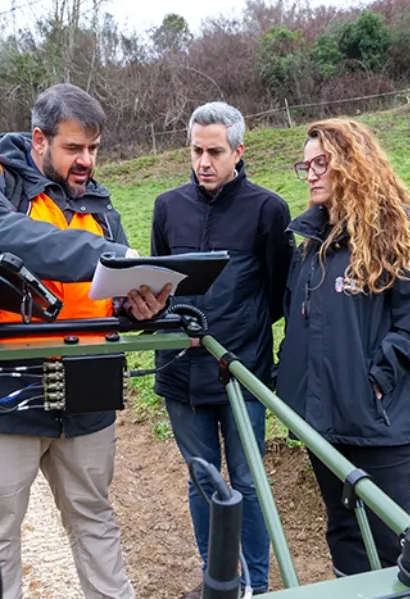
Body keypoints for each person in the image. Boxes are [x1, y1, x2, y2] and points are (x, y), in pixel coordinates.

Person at [0, 82, 169, 599]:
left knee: (96, 519)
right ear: (38, 139)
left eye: (93, 148)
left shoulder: (100, 205)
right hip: (0, 391)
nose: (86, 160)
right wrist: (104, 255)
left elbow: (106, 295)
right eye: (73, 148)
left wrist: (142, 304)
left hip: (86, 393)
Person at [277, 118, 410, 576]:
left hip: (376, 421)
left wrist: (375, 381)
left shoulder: (401, 232)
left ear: (352, 165)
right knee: (342, 529)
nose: (311, 174)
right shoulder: (312, 243)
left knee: (391, 536)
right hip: (319, 419)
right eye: (306, 164)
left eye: (321, 163)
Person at [150, 101, 293, 598]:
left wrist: (242, 329)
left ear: (238, 151)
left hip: (243, 370)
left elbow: (278, 292)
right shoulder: (167, 207)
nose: (204, 161)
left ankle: (255, 582)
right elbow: (157, 287)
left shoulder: (268, 209)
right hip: (179, 372)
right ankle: (219, 581)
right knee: (202, 481)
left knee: (248, 483)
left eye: (214, 151)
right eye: (196, 150)